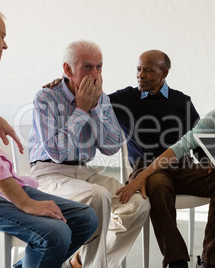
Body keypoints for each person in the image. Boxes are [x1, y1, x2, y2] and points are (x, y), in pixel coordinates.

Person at [0, 2, 98, 268]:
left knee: (85, 218)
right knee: (55, 234)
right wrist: (24, 201)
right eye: (2, 35)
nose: (5, 45)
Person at [116, 61, 215, 268]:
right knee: (157, 182)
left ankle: (212, 261)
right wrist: (142, 175)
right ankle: (176, 261)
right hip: (164, 167)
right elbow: (183, 145)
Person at [28, 39, 150, 268]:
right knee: (98, 196)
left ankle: (83, 262)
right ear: (67, 69)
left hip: (85, 172)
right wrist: (81, 110)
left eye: (99, 66)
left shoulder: (101, 99)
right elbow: (57, 152)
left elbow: (112, 146)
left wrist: (94, 108)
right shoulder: (47, 98)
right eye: (87, 67)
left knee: (138, 204)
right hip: (49, 175)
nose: (95, 74)